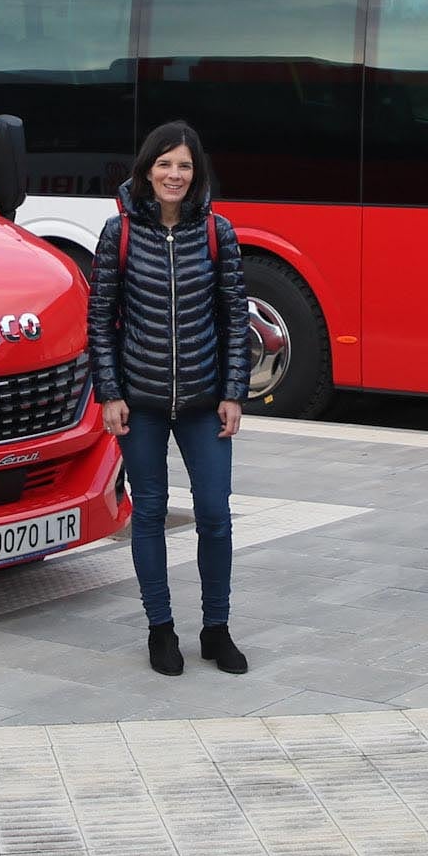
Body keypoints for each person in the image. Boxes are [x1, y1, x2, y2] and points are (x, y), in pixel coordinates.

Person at [89, 121, 251, 676]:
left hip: (206, 400)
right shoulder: (119, 233)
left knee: (214, 514)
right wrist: (109, 393)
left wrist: (234, 392)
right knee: (151, 513)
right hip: (142, 401)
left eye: (183, 165)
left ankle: (216, 629)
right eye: (164, 164)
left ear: (195, 171)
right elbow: (100, 320)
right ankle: (161, 629)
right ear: (147, 170)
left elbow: (235, 317)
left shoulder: (217, 232)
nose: (174, 175)